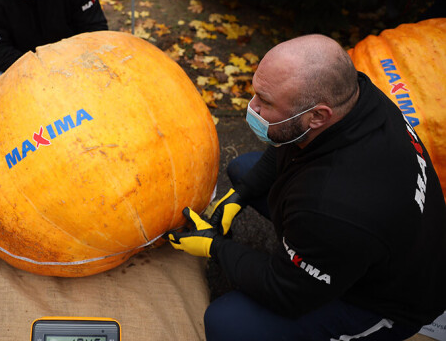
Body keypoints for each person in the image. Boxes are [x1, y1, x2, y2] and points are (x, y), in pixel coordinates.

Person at [166, 34, 446, 340]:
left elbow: (283, 292)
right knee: (245, 169)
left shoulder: (333, 208)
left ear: (317, 116)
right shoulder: (359, 96)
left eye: (266, 103)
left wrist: (216, 247)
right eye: (255, 93)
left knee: (228, 323)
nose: (252, 107)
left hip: (385, 302)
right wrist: (242, 193)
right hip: (364, 238)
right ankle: (304, 254)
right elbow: (287, 139)